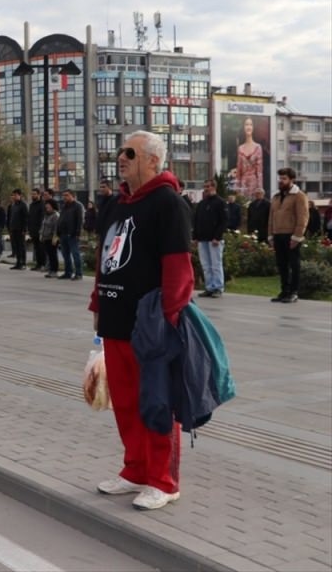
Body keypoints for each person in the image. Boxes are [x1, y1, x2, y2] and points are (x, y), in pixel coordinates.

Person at [90, 130, 194, 511]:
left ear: (153, 160)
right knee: (126, 403)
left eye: (130, 152)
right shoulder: (117, 203)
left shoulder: (168, 203)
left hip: (150, 325)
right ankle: (135, 470)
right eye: (120, 151)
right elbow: (105, 260)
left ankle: (163, 481)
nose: (121, 157)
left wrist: (169, 319)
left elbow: (179, 271)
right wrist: (96, 304)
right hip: (115, 320)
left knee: (156, 403)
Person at [268, 168, 309, 304]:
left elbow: (303, 217)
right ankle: (284, 291)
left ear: (292, 180)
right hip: (278, 234)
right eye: (280, 178)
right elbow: (271, 218)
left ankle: (293, 292)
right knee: (282, 265)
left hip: (291, 236)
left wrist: (297, 236)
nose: (281, 181)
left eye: (284, 178)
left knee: (294, 264)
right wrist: (270, 235)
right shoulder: (276, 197)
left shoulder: (299, 196)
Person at [194, 180, 227, 298]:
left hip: (214, 240)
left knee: (216, 264)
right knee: (206, 265)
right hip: (202, 239)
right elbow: (196, 220)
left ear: (214, 187)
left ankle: (218, 287)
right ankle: (209, 287)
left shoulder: (220, 203)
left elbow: (223, 221)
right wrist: (195, 237)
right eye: (204, 187)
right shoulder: (202, 203)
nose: (206, 189)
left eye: (208, 186)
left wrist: (217, 237)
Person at [57, 189, 84, 280]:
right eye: (63, 195)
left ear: (73, 196)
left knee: (75, 254)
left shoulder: (77, 206)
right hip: (63, 234)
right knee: (65, 255)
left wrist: (77, 233)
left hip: (72, 234)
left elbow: (80, 220)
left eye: (67, 195)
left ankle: (78, 273)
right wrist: (58, 231)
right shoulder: (64, 206)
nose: (64, 197)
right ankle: (68, 272)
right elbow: (61, 219)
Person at [236, 116, 264, 198]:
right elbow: (239, 171)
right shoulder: (240, 148)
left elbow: (259, 172)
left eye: (251, 124)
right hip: (243, 185)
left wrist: (260, 189)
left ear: (253, 127)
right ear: (243, 127)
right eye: (246, 124)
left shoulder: (258, 147)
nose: (248, 127)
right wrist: (237, 189)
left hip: (254, 185)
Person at [7, 189, 28, 270]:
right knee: (16, 246)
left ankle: (23, 263)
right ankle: (18, 262)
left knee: (21, 246)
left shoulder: (23, 205)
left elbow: (25, 218)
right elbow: (11, 217)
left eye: (16, 195)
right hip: (14, 229)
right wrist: (10, 228)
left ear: (20, 195)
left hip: (20, 229)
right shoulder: (13, 205)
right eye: (13, 195)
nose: (14, 197)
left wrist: (24, 229)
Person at [27, 188, 46, 271]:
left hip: (40, 230)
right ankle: (38, 264)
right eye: (32, 194)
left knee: (41, 248)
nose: (33, 195)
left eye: (34, 194)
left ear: (39, 195)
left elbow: (42, 218)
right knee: (36, 248)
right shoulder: (31, 205)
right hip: (33, 230)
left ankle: (43, 264)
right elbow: (30, 217)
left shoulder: (42, 204)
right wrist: (29, 229)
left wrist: (40, 229)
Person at [40, 199, 59, 278]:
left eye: (48, 207)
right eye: (46, 207)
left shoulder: (55, 215)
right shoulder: (46, 215)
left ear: (53, 206)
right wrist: (41, 234)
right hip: (46, 237)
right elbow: (43, 225)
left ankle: (54, 270)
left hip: (52, 238)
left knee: (53, 255)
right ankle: (51, 270)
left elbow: (56, 228)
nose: (47, 208)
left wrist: (55, 237)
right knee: (49, 255)